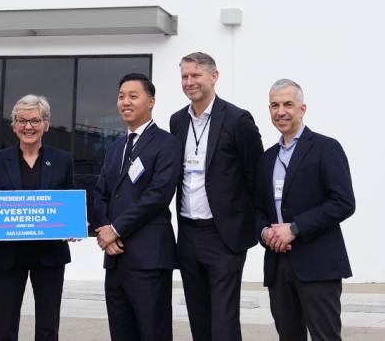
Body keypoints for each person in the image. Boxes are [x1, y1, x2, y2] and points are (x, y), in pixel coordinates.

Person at [169, 52, 263, 341]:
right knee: (198, 317)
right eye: (185, 76)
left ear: (214, 76)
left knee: (223, 320)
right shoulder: (177, 122)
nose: (189, 82)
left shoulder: (237, 119)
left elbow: (255, 176)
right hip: (188, 234)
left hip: (224, 236)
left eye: (196, 75)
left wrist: (252, 224)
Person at [253, 79, 356, 341]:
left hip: (318, 263)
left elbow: (343, 202)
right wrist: (265, 232)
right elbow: (257, 209)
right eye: (275, 105)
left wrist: (295, 228)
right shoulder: (267, 159)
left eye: (288, 104)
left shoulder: (325, 148)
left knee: (325, 336)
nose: (281, 111)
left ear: (302, 108)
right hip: (279, 264)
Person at [90, 73, 182, 341]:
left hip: (149, 259)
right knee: (121, 332)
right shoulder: (116, 147)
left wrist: (116, 229)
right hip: (115, 259)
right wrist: (106, 234)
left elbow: (157, 195)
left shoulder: (167, 143)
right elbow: (101, 193)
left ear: (151, 101)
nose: (125, 102)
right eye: (121, 97)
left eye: (133, 96)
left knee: (153, 331)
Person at [0, 95, 77, 341]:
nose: (28, 127)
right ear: (13, 125)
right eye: (21, 121)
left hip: (49, 255)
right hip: (7, 255)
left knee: (47, 328)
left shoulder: (62, 159)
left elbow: (69, 202)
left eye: (35, 120)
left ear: (46, 124)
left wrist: (75, 223)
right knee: (4, 326)